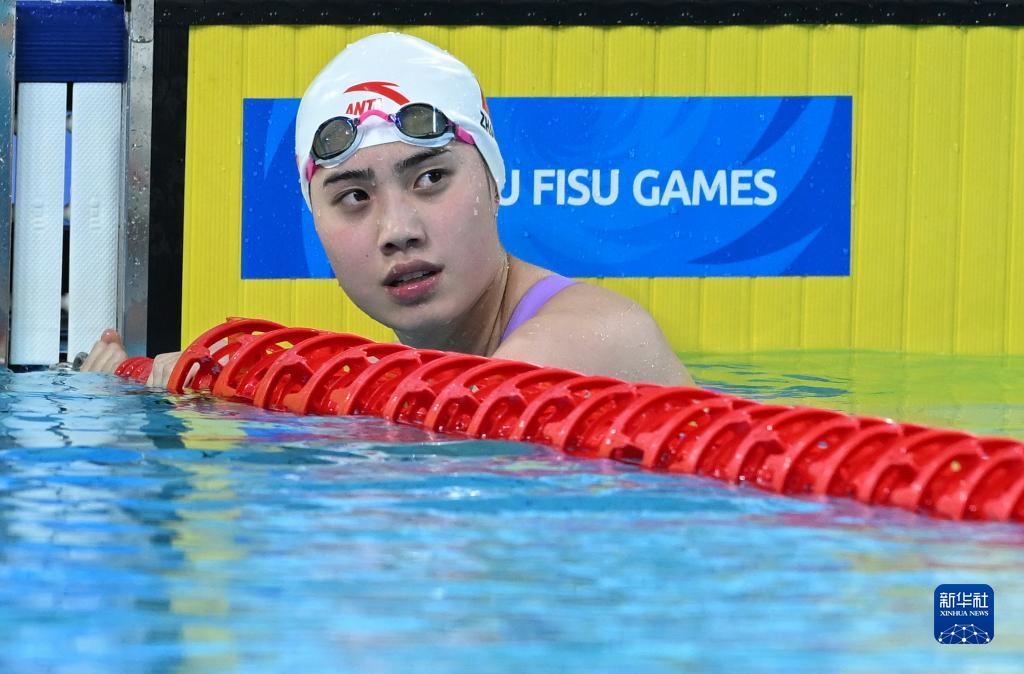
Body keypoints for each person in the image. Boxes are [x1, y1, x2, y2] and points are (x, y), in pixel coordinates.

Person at [83, 32, 691, 387]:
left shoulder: (585, 338)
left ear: (494, 182)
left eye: (430, 178)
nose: (397, 230)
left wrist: (235, 382)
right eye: (354, 196)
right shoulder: (436, 364)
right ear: (317, 225)